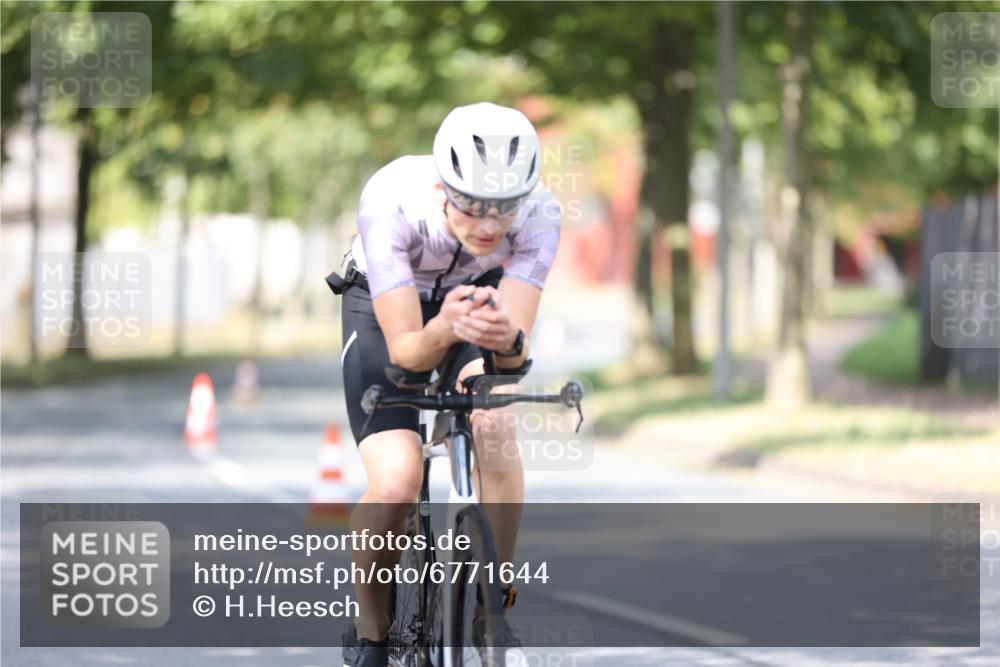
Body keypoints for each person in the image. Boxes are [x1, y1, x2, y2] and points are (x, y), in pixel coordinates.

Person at [330, 102, 562, 667]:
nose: (489, 226)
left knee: (496, 427)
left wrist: (507, 345)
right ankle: (372, 632)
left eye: (504, 209)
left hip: (478, 298)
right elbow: (407, 350)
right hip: (389, 310)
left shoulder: (541, 215)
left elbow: (512, 357)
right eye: (473, 206)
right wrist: (441, 329)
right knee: (396, 483)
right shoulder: (390, 202)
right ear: (442, 188)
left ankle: (491, 611)